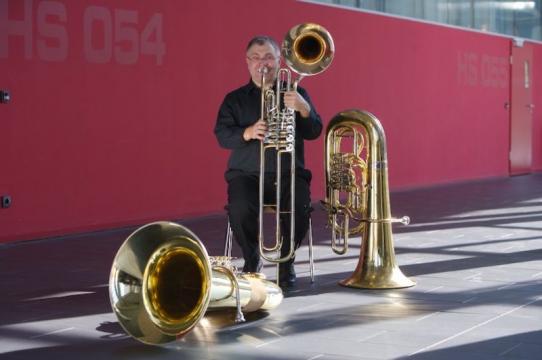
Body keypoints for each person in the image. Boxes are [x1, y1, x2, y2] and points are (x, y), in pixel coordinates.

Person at [214, 35, 322, 288]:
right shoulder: (234, 99)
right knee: (240, 208)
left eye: (269, 57)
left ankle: (286, 261)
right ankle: (252, 258)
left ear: (278, 60)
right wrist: (247, 132)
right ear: (247, 62)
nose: (263, 63)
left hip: (289, 173)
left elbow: (315, 131)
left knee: (300, 206)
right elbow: (221, 135)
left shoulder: (296, 93)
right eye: (256, 57)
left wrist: (304, 109)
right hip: (246, 174)